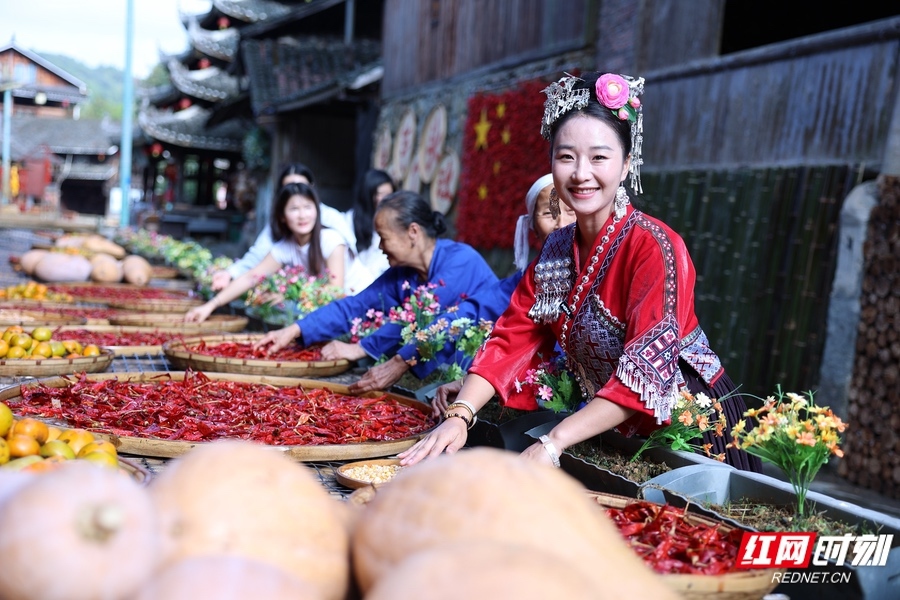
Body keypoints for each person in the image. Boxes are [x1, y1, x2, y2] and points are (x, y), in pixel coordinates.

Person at [400, 71, 762, 472]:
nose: (580, 173)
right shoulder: (556, 249)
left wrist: (553, 442)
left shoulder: (654, 247)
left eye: (599, 157)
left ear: (626, 165)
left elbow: (642, 373)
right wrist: (461, 414)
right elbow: (514, 335)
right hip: (615, 428)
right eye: (566, 156)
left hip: (689, 427)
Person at [347, 173, 576, 394]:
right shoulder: (534, 278)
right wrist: (401, 360)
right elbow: (471, 313)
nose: (561, 224)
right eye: (549, 213)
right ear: (532, 227)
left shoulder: (460, 260)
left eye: (570, 211)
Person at [252, 190, 499, 358]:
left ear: (413, 232)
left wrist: (359, 349)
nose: (380, 247)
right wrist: (295, 330)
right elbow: (354, 307)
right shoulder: (403, 272)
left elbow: (419, 319)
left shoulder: (461, 261)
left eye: (384, 238)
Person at [185, 182, 348, 323]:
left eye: (307, 207)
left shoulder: (331, 240)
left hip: (352, 308)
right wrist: (210, 306)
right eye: (294, 209)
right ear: (282, 216)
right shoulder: (285, 247)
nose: (302, 215)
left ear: (317, 211)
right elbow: (251, 277)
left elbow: (335, 291)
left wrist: (290, 296)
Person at [210, 162, 355, 291]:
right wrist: (231, 273)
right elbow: (258, 255)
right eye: (288, 188)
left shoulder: (332, 221)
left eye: (301, 186)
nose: (295, 191)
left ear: (311, 189)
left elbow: (348, 260)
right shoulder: (282, 237)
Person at [346, 169, 396, 281]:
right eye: (381, 194)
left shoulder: (395, 222)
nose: (386, 199)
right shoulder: (349, 220)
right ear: (368, 195)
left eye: (389, 194)